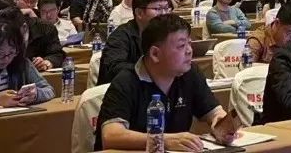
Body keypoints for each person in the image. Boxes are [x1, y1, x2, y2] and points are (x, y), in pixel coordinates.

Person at [96, 14, 240, 150]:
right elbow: (111, 136)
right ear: (155, 54)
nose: (189, 51)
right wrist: (163, 140)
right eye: (181, 46)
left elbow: (214, 112)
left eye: (189, 44)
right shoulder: (126, 82)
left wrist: (221, 126)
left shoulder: (190, 73)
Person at [99, 0, 173, 85]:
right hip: (123, 89)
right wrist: (149, 69)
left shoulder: (167, 34)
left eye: (166, 8)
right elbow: (114, 67)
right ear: (139, 13)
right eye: (158, 9)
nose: (164, 14)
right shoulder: (121, 36)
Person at [0, 19, 54, 108]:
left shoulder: (22, 64)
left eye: (11, 52)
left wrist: (35, 95)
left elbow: (49, 90)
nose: (6, 58)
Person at [14, 0, 64, 70]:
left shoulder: (45, 26)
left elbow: (57, 54)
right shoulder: (6, 20)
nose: (29, 5)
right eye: (26, 1)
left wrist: (47, 62)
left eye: (32, 2)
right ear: (17, 0)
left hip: (35, 70)